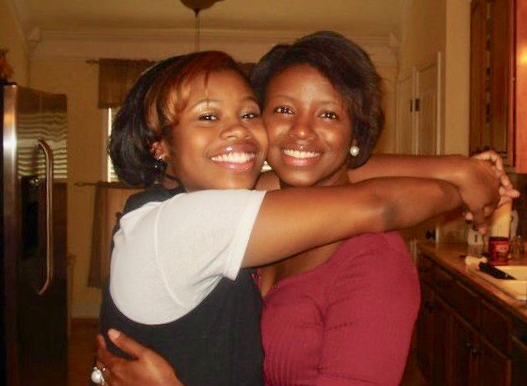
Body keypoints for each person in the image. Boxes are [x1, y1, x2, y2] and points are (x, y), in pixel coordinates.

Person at [93, 48, 504, 386]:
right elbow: (375, 203)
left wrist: (460, 169)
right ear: (160, 145)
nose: (238, 130)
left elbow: (321, 169)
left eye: (248, 114)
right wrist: (466, 189)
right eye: (208, 116)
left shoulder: (192, 207)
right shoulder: (184, 224)